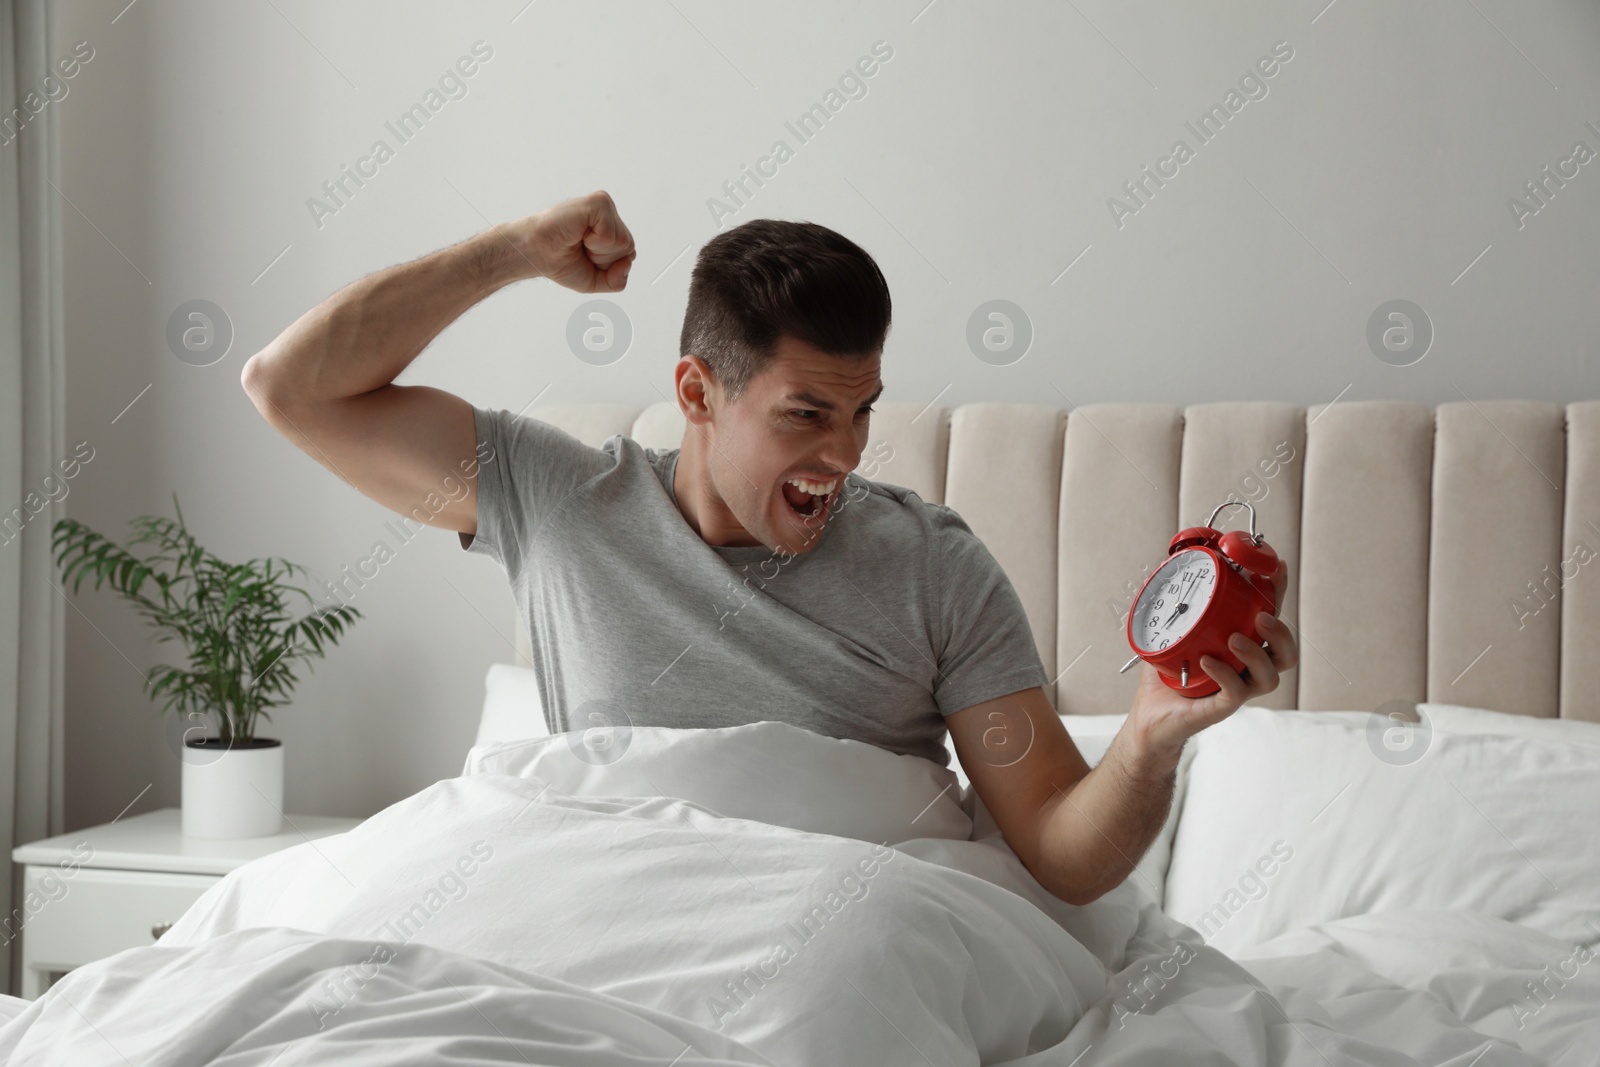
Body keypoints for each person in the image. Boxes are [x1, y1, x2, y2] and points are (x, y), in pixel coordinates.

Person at [241, 190, 1299, 906]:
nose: (843, 453)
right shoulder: (559, 503)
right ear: (697, 392)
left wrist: (1154, 736)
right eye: (804, 416)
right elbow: (288, 386)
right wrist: (515, 250)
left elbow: (1063, 850)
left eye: (862, 410)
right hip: (595, 909)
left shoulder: (933, 565)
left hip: (840, 929)